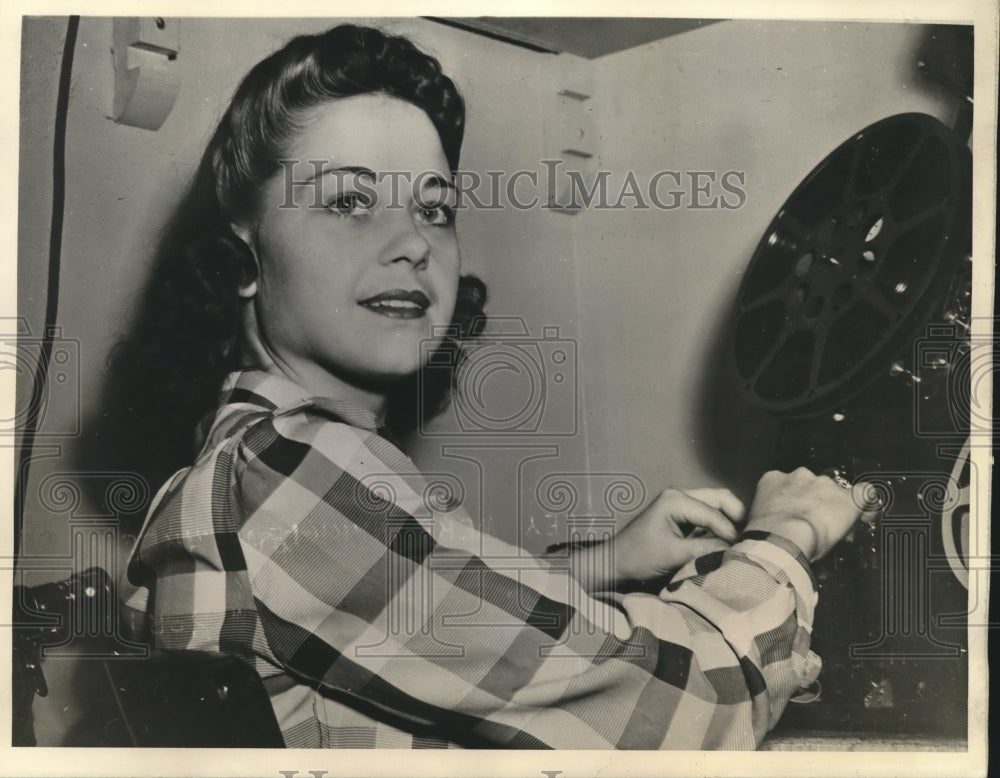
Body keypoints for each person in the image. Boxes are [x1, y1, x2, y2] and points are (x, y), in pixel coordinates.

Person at [118, 23, 866, 749]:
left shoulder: (250, 466)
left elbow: (422, 595)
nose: (413, 242)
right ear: (239, 255)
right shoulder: (288, 473)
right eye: (350, 201)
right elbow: (691, 711)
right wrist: (783, 539)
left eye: (435, 209)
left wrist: (603, 562)